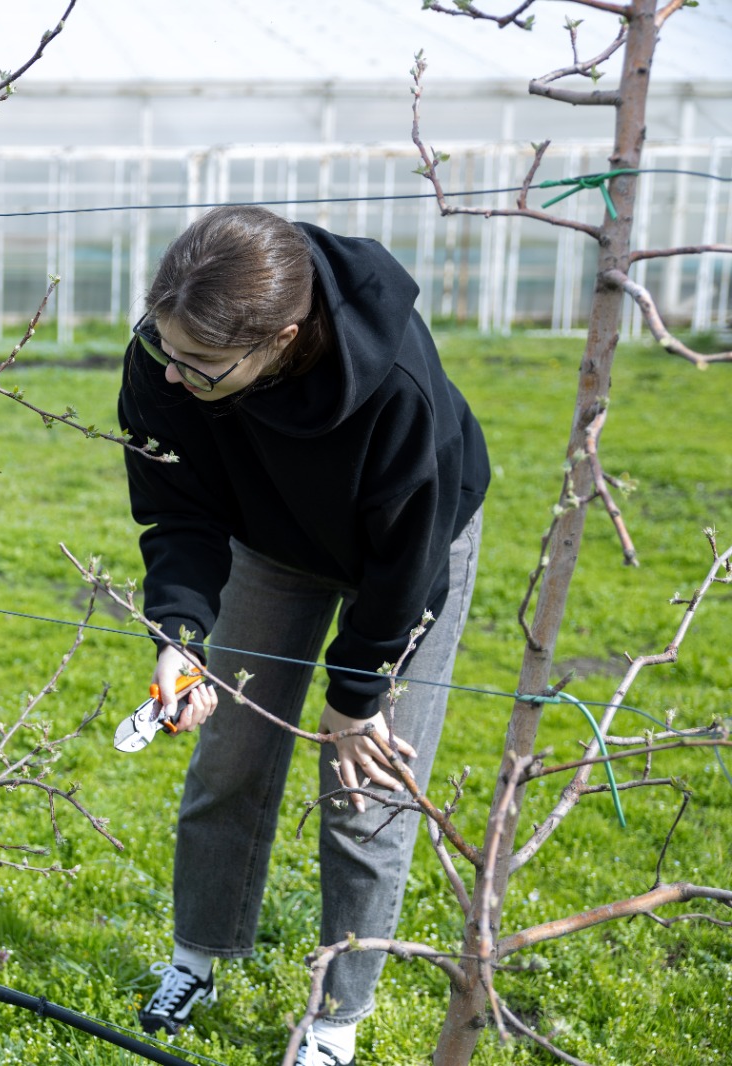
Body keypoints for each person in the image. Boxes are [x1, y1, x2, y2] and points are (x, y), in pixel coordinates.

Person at [119, 206, 488, 1066]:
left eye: (200, 365)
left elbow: (409, 561)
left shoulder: (395, 386)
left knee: (365, 790)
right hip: (269, 543)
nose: (172, 373)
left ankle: (335, 1019)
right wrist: (181, 635)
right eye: (166, 347)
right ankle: (196, 958)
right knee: (230, 758)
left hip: (407, 554)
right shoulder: (166, 356)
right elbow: (177, 510)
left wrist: (356, 696)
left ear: (282, 340)